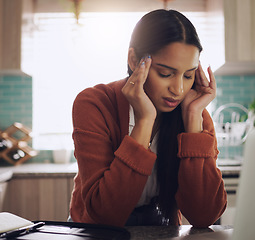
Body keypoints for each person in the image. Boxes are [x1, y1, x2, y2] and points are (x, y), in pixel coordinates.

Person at [69, 9, 227, 227]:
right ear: (134, 60)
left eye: (188, 75)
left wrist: (193, 121)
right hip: (94, 233)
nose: (178, 89)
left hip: (161, 230)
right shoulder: (95, 103)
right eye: (165, 74)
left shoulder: (194, 112)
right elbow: (105, 215)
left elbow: (205, 216)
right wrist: (144, 121)